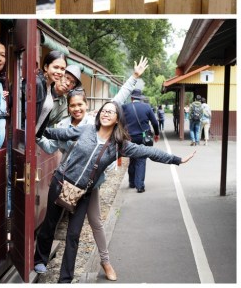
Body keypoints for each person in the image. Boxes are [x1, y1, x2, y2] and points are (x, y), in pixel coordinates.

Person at [34, 100, 195, 283]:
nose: (106, 114)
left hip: (84, 193)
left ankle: (65, 280)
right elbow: (58, 133)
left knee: (73, 236)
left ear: (118, 119)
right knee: (49, 224)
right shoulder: (86, 130)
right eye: (104, 111)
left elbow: (147, 152)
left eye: (111, 112)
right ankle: (40, 259)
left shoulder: (119, 145)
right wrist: (37, 128)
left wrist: (176, 159)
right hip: (61, 183)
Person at [37, 88, 117, 281]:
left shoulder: (94, 124)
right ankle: (40, 259)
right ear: (68, 107)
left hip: (88, 186)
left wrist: (94, 178)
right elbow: (52, 146)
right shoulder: (63, 124)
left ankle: (104, 261)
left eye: (80, 104)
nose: (76, 108)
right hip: (64, 180)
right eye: (72, 105)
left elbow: (116, 106)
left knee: (91, 224)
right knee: (51, 222)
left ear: (87, 105)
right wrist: (37, 136)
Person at [121, 90, 160, 193]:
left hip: (130, 137)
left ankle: (132, 182)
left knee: (132, 159)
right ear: (141, 98)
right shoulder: (147, 107)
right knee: (141, 159)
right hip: (143, 138)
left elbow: (120, 122)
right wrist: (156, 134)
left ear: (131, 98)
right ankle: (140, 186)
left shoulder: (125, 107)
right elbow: (155, 123)